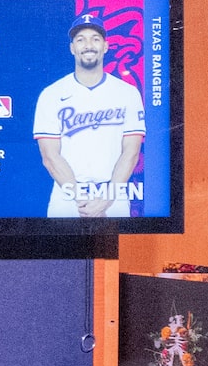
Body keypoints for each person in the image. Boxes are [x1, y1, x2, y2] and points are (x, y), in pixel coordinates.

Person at [34, 12, 145, 218]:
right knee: (62, 251)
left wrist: (106, 200)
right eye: (80, 39)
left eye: (95, 39)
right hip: (66, 196)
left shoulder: (128, 93)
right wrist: (83, 200)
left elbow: (131, 153)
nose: (88, 45)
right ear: (72, 48)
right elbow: (50, 157)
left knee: (116, 250)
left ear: (105, 46)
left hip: (114, 194)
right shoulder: (51, 94)